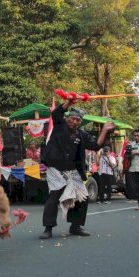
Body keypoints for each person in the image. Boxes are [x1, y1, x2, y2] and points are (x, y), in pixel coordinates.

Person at [39, 101, 115, 240]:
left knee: (82, 197)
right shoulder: (59, 126)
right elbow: (56, 113)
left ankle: (75, 226)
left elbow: (96, 145)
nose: (75, 122)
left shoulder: (82, 135)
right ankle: (48, 228)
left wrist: (104, 130)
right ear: (68, 118)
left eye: (78, 120)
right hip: (55, 169)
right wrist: (69, 102)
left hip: (73, 171)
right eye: (73, 119)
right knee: (53, 197)